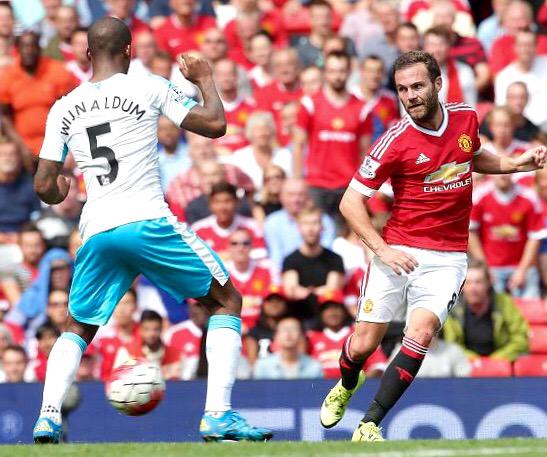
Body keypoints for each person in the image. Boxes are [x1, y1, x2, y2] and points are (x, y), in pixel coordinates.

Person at [32, 17, 271, 443]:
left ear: (87, 54)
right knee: (226, 301)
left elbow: (44, 185)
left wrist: (61, 189)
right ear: (129, 52)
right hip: (146, 220)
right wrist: (205, 78)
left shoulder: (64, 106)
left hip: (97, 230)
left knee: (78, 325)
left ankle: (48, 416)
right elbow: (214, 124)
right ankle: (218, 415)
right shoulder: (148, 86)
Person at [319, 50, 546, 442]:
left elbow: (471, 156)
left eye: (418, 86)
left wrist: (514, 164)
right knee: (363, 346)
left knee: (421, 333)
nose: (410, 96)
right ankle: (347, 382)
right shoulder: (394, 141)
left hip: (448, 256)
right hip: (397, 250)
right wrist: (382, 250)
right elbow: (350, 202)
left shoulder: (466, 117)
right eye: (402, 89)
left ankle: (369, 423)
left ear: (438, 84)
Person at [293, 51, 373, 220]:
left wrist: (363, 186)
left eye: (342, 71)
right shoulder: (309, 104)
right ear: (325, 73)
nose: (337, 76)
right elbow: (298, 144)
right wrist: (297, 180)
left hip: (348, 185)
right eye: (332, 71)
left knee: (347, 235)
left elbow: (365, 151)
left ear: (349, 72)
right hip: (316, 184)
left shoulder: (362, 108)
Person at [0, 31, 77, 158]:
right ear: (17, 50)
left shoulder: (57, 70)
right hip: (21, 147)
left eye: (32, 46)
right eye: (24, 46)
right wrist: (22, 148)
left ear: (39, 49)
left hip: (57, 144)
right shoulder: (8, 76)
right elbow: (5, 117)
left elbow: (72, 111)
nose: (28, 51)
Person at [469, 175, 547, 298]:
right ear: (491, 173)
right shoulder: (478, 196)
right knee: (494, 308)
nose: (502, 175)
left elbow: (535, 236)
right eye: (498, 170)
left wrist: (522, 270)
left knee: (529, 306)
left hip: (523, 267)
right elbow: (471, 232)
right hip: (492, 268)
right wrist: (484, 268)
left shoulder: (529, 197)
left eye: (505, 170)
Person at [443, 260, 529, 363]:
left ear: (488, 283)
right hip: (465, 365)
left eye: (478, 282)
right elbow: (451, 344)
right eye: (468, 283)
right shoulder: (453, 309)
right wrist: (475, 361)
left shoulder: (504, 303)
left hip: (501, 365)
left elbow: (520, 339)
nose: (473, 288)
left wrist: (495, 361)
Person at [282, 207, 344, 324]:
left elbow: (333, 290)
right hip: (299, 319)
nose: (310, 229)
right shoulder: (290, 260)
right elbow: (291, 291)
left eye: (314, 223)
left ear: (322, 227)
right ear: (298, 228)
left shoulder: (335, 259)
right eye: (305, 223)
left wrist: (307, 291)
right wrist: (318, 291)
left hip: (329, 321)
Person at [264, 178, 335, 269]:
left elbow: (327, 254)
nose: (296, 199)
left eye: (300, 194)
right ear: (281, 197)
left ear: (308, 196)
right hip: (285, 273)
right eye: (291, 194)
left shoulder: (324, 221)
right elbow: (276, 257)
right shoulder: (272, 223)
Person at [494, 30, 547, 135]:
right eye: (522, 45)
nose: (526, 49)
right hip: (521, 131)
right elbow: (502, 111)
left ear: (536, 46)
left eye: (529, 45)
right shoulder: (504, 77)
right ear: (515, 47)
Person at [113, 310, 182, 379]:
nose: (151, 334)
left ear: (161, 329)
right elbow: (117, 379)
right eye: (147, 329)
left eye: (156, 329)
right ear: (140, 330)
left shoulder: (175, 354)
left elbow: (183, 380)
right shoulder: (127, 352)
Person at [253, 316, 323, 379]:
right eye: (284, 329)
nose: (288, 334)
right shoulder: (263, 365)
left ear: (301, 335)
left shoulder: (314, 365)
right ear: (276, 336)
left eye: (293, 329)